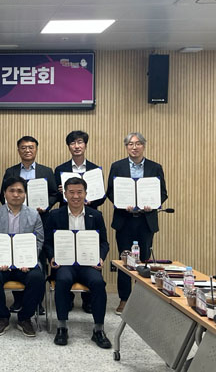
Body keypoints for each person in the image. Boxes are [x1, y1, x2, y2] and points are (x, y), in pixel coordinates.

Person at [46, 177, 112, 348]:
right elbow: (47, 242)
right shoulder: (55, 215)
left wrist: (100, 257)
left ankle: (98, 329)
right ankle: (62, 327)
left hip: (87, 264)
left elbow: (104, 243)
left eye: (79, 192)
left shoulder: (95, 215)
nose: (75, 196)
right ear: (65, 194)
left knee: (98, 283)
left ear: (85, 193)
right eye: (71, 192)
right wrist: (52, 257)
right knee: (62, 280)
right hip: (64, 264)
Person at [107, 132, 168, 315]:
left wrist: (153, 204)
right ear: (126, 147)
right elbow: (110, 191)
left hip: (145, 220)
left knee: (144, 261)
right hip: (124, 220)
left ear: (144, 145)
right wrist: (121, 203)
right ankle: (124, 299)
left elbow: (163, 193)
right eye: (130, 144)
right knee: (125, 260)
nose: (134, 147)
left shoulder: (155, 167)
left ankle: (142, 299)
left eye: (138, 143)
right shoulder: (117, 166)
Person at [1, 135, 58, 314]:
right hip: (16, 221)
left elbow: (54, 194)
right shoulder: (10, 172)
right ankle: (18, 300)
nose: (27, 150)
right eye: (23, 147)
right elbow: (2, 196)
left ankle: (37, 302)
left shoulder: (46, 171)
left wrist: (46, 206)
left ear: (36, 150)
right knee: (17, 258)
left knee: (38, 259)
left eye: (31, 147)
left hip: (39, 220)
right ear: (18, 150)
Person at [0, 176, 45, 337]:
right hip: (0, 264)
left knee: (37, 277)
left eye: (20, 191)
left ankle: (25, 318)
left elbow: (39, 240)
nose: (16, 194)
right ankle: (2, 316)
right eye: (12, 191)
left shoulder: (34, 215)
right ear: (4, 193)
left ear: (25, 194)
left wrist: (30, 260)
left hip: (25, 264)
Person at [54, 130, 105, 313]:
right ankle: (66, 299)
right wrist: (61, 192)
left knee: (87, 254)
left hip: (87, 216)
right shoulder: (60, 169)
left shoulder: (95, 169)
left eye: (80, 142)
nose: (77, 146)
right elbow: (56, 196)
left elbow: (102, 196)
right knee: (67, 256)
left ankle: (88, 300)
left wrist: (90, 201)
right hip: (66, 217)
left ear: (85, 145)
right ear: (68, 146)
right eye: (73, 143)